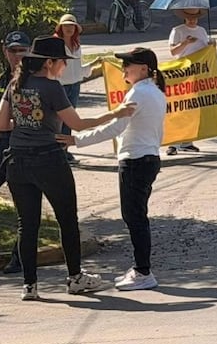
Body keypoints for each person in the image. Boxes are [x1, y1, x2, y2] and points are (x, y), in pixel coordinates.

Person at [0, 36, 134, 301]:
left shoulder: (15, 84)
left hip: (17, 161)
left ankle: (29, 285)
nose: (63, 68)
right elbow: (78, 124)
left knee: (27, 224)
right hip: (48, 160)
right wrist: (116, 114)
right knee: (67, 219)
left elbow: (1, 124)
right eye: (61, 63)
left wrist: (26, 126)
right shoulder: (51, 87)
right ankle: (75, 277)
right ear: (49, 63)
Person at [59, 47, 167, 291]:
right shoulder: (156, 92)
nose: (124, 69)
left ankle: (143, 271)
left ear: (143, 69)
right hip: (148, 157)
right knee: (136, 215)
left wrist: (77, 140)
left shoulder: (138, 93)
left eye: (128, 65)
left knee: (134, 217)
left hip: (135, 160)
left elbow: (114, 128)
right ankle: (141, 268)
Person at [0, 31, 31, 274]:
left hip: (23, 150)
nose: (17, 55)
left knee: (25, 208)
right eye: (13, 50)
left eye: (22, 50)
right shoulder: (2, 79)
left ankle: (19, 258)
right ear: (5, 51)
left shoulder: (34, 80)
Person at [54, 14, 100, 163]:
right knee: (59, 119)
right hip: (59, 85)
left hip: (74, 85)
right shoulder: (55, 44)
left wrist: (93, 64)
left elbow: (78, 69)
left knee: (70, 120)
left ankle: (64, 151)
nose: (68, 28)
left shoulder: (77, 45)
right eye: (66, 26)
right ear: (60, 28)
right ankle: (57, 151)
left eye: (71, 26)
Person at [167, 8, 212, 155]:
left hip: (198, 71)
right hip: (181, 72)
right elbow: (173, 52)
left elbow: (206, 51)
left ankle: (187, 141)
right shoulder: (177, 30)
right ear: (184, 18)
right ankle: (173, 143)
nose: (192, 20)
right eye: (189, 17)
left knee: (193, 108)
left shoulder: (202, 31)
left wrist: (212, 45)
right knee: (179, 107)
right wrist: (185, 43)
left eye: (194, 17)